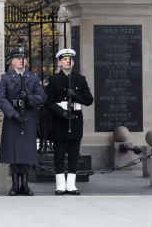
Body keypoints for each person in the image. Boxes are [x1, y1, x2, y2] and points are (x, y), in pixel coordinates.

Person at [0, 46, 47, 196]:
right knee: (13, 153)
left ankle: (25, 184)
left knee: (26, 153)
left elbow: (43, 97)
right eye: (18, 58)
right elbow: (0, 98)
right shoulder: (6, 77)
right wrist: (12, 113)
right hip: (13, 119)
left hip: (28, 118)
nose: (21, 61)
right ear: (13, 61)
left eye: (23, 58)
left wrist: (29, 98)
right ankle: (14, 185)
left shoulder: (33, 77)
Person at [45, 49, 94, 195]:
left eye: (70, 59)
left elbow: (89, 100)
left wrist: (76, 95)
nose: (68, 61)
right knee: (59, 154)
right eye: (65, 59)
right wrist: (62, 113)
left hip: (76, 120)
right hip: (60, 121)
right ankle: (60, 184)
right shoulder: (54, 80)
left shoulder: (80, 79)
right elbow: (48, 102)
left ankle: (71, 184)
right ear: (60, 62)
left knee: (74, 153)